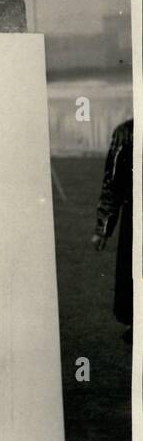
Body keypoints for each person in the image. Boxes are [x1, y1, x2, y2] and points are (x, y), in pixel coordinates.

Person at [92, 119, 133, 334]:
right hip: (135, 218)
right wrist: (103, 228)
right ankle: (135, 321)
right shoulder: (126, 133)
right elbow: (113, 183)